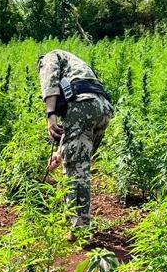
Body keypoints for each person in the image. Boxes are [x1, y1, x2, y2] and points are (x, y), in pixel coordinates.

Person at [38, 49, 114, 229]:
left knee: (76, 172)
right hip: (103, 108)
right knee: (79, 162)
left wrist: (51, 116)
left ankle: (78, 228)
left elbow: (50, 81)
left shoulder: (50, 57)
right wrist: (60, 152)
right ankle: (78, 221)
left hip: (83, 107)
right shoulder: (75, 63)